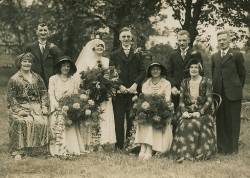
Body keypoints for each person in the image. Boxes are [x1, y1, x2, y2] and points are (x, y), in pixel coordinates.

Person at [171, 52, 216, 163]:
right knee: (184, 123)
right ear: (188, 69)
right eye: (191, 67)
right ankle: (184, 154)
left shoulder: (207, 81)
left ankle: (197, 154)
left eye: (196, 67)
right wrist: (184, 112)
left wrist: (199, 112)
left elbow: (209, 100)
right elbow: (181, 101)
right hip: (188, 111)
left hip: (203, 113)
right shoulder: (184, 82)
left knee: (194, 123)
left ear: (200, 68)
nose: (194, 69)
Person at [75, 39, 116, 151]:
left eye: (102, 46)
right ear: (93, 48)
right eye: (97, 46)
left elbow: (112, 76)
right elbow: (81, 78)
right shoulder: (87, 60)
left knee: (104, 117)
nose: (100, 47)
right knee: (92, 116)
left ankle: (102, 143)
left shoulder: (107, 61)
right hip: (91, 93)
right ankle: (91, 143)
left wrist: (108, 86)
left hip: (105, 93)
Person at [7, 53, 49, 160]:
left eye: (29, 61)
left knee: (42, 122)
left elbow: (44, 92)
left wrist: (44, 106)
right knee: (22, 121)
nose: (27, 63)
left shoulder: (37, 77)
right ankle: (18, 151)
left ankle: (37, 150)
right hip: (20, 107)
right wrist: (18, 110)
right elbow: (11, 98)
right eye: (24, 61)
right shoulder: (14, 79)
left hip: (36, 107)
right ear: (20, 63)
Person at [110, 27, 146, 150]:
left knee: (131, 118)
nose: (126, 39)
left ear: (132, 39)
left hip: (133, 91)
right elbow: (112, 72)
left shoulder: (138, 54)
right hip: (120, 92)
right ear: (120, 39)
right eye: (124, 36)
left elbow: (143, 71)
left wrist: (135, 84)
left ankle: (130, 144)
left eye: (128, 37)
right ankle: (119, 145)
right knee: (119, 119)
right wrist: (119, 85)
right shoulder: (114, 54)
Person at [211, 30, 246, 154]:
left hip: (233, 94)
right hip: (219, 94)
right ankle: (221, 148)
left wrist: (236, 88)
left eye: (224, 39)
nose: (221, 42)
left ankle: (232, 149)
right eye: (219, 40)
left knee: (233, 121)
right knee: (220, 121)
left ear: (229, 40)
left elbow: (242, 75)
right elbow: (213, 73)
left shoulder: (236, 55)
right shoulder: (214, 56)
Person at [134, 62, 173, 160]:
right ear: (150, 71)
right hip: (148, 109)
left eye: (158, 69)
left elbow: (167, 99)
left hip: (161, 109)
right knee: (142, 117)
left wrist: (157, 103)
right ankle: (143, 147)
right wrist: (146, 106)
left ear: (161, 71)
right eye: (153, 69)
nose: (155, 71)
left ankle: (150, 148)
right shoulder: (146, 83)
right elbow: (143, 98)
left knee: (152, 119)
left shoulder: (166, 83)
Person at [48, 56, 84, 156]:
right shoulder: (53, 79)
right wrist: (57, 107)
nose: (66, 68)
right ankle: (58, 148)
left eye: (68, 66)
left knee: (70, 118)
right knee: (58, 118)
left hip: (69, 108)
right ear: (59, 67)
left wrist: (70, 107)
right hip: (56, 107)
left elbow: (76, 95)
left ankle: (71, 148)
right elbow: (51, 94)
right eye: (64, 66)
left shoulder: (73, 80)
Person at [25, 22, 63, 88]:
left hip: (49, 81)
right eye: (40, 30)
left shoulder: (53, 47)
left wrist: (55, 78)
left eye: (45, 30)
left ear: (48, 32)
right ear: (37, 32)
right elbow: (25, 63)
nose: (43, 32)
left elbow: (58, 65)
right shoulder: (30, 47)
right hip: (34, 80)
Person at [167, 30, 195, 111]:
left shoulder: (195, 54)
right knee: (176, 115)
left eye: (184, 40)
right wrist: (173, 86)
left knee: (191, 114)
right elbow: (168, 73)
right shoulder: (173, 55)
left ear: (189, 41)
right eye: (179, 40)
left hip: (191, 90)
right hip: (176, 91)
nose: (181, 43)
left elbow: (200, 72)